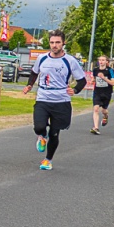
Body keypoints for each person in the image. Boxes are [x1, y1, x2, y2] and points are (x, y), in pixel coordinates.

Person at [21, 30, 86, 170]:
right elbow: (34, 73)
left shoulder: (70, 61)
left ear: (63, 43)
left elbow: (82, 81)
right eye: (52, 42)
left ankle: (48, 160)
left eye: (57, 42)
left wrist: (74, 90)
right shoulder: (42, 58)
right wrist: (29, 85)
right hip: (43, 98)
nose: (54, 45)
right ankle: (42, 136)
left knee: (55, 133)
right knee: (38, 126)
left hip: (61, 101)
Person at [90, 55, 114, 133]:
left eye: (103, 60)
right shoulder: (95, 70)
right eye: (100, 60)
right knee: (96, 109)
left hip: (107, 93)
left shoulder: (110, 70)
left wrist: (104, 78)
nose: (101, 61)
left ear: (107, 61)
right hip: (97, 92)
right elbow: (94, 78)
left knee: (104, 110)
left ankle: (105, 116)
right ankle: (96, 128)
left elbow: (113, 83)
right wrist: (92, 80)